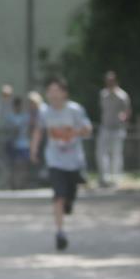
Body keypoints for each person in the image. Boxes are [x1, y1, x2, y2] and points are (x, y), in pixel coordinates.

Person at [30, 77, 92, 251]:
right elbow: (38, 131)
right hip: (54, 160)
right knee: (58, 196)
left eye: (57, 91)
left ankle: (68, 203)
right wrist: (33, 150)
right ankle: (60, 232)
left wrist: (73, 132)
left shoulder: (75, 110)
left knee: (69, 197)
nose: (53, 94)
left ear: (65, 93)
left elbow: (87, 129)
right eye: (50, 91)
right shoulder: (44, 112)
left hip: (74, 160)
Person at [97, 70, 131, 187]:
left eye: (111, 80)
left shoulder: (122, 95)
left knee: (116, 154)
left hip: (118, 129)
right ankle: (104, 178)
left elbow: (127, 111)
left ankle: (116, 178)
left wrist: (123, 117)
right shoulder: (103, 94)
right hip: (105, 127)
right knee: (102, 153)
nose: (109, 83)